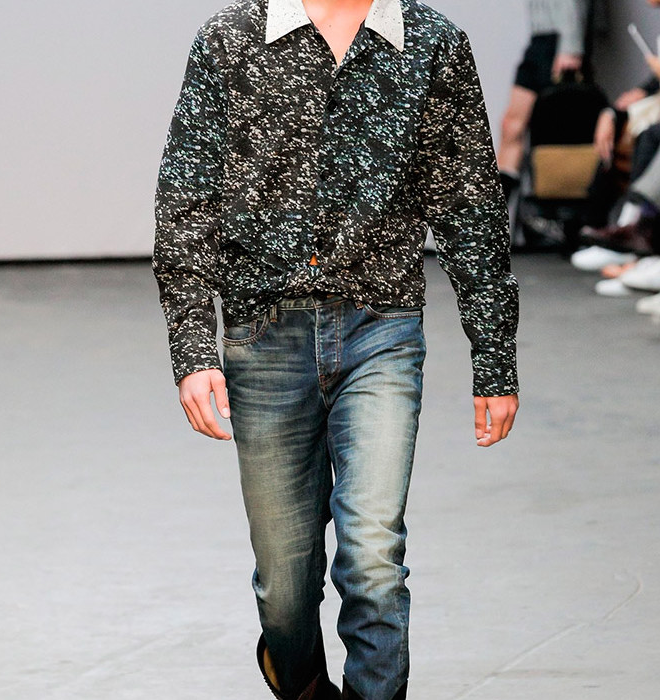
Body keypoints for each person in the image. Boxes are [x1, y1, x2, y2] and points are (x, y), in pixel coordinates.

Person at [152, 0, 519, 698]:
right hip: (264, 334)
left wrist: (494, 358)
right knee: (284, 583)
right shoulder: (231, 40)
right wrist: (194, 349)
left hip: (382, 328)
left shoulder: (432, 42)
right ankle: (299, 679)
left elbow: (469, 208)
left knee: (374, 556)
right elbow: (187, 201)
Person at [497, 0, 591, 202]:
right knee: (510, 126)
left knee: (552, 133)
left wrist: (571, 46)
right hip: (541, 38)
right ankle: (494, 210)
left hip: (560, 42)